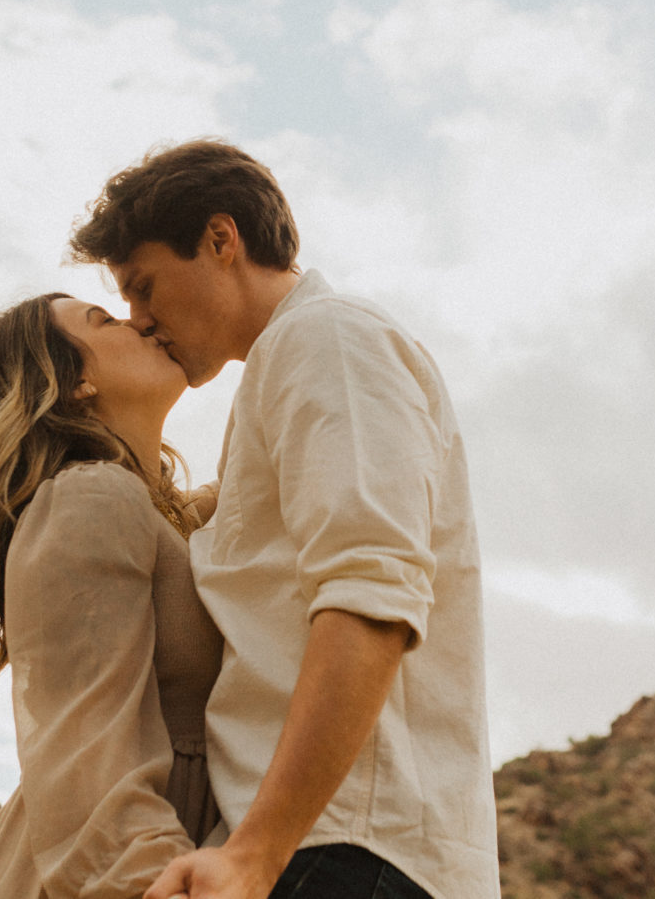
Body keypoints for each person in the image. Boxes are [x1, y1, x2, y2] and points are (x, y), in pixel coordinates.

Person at [68, 140, 501, 899]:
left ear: (220, 239)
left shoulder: (327, 338)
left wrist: (258, 850)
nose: (140, 320)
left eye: (144, 288)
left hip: (344, 852)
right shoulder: (285, 369)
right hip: (316, 848)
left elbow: (372, 597)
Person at [0, 292, 224, 899]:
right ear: (73, 380)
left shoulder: (168, 519)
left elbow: (252, 476)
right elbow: (84, 753)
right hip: (119, 870)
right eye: (104, 321)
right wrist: (155, 884)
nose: (138, 322)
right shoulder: (88, 497)